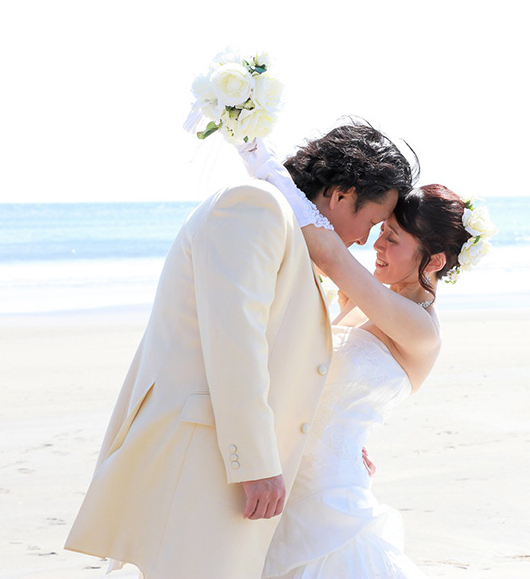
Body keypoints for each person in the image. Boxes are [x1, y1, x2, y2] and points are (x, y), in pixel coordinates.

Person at [63, 121, 416, 579]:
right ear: (342, 194)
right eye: (370, 222)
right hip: (204, 455)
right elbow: (235, 343)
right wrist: (255, 463)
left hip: (230, 462)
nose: (366, 239)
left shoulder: (285, 227)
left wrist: (332, 439)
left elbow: (287, 356)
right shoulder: (254, 207)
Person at [238, 141, 493, 578]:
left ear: (433, 260)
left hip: (329, 498)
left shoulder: (420, 328)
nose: (376, 244)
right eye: (380, 229)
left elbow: (328, 251)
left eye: (392, 238)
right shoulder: (360, 298)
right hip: (290, 475)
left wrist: (261, 160)